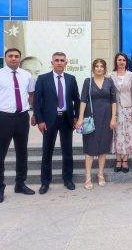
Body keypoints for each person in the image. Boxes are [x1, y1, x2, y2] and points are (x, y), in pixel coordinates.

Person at [0, 48, 35, 203]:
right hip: (3, 119)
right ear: (5, 58)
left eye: (16, 56)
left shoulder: (26, 75)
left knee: (22, 153)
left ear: (20, 58)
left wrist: (35, 114)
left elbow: (32, 95)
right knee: (0, 155)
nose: (13, 58)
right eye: (10, 56)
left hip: (22, 118)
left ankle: (20, 184)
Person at [33, 52, 80, 194]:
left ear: (66, 63)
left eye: (62, 60)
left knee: (68, 152)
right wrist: (40, 120)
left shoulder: (71, 79)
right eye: (56, 60)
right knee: (47, 152)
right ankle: (45, 182)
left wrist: (76, 116)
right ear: (52, 63)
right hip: (48, 121)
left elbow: (76, 100)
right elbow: (36, 101)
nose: (59, 63)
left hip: (66, 119)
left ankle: (68, 179)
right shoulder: (42, 79)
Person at [75, 59, 116, 189]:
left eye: (101, 66)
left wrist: (113, 118)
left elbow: (113, 101)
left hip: (106, 117)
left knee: (103, 146)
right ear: (93, 68)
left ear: (105, 69)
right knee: (90, 147)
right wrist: (80, 118)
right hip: (90, 118)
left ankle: (100, 174)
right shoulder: (88, 81)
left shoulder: (109, 82)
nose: (99, 68)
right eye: (96, 66)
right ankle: (87, 176)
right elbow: (83, 100)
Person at [110, 53, 132, 173]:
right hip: (115, 108)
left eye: (123, 60)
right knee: (116, 134)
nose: (121, 62)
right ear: (116, 62)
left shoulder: (131, 75)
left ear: (126, 62)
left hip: (128, 109)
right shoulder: (110, 75)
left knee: (129, 134)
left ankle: (126, 160)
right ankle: (118, 160)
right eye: (119, 60)